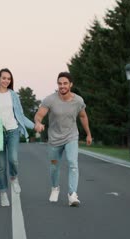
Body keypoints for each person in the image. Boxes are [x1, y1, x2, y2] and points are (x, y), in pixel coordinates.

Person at [34, 72, 92, 206]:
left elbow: (83, 116)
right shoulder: (50, 100)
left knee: (73, 163)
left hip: (71, 136)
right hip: (54, 140)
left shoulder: (78, 101)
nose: (62, 86)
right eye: (60, 83)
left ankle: (72, 194)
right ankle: (55, 188)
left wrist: (88, 134)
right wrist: (38, 123)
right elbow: (39, 115)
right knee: (54, 166)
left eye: (65, 83)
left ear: (71, 84)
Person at [0, 68, 34, 207]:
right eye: (4, 78)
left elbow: (21, 115)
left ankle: (14, 178)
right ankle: (3, 194)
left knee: (13, 159)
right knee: (1, 166)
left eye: (8, 79)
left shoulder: (13, 95)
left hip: (13, 131)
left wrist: (34, 126)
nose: (6, 80)